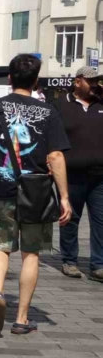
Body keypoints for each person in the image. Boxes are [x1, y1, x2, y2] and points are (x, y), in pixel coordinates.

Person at [0, 54, 72, 334]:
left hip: (2, 189)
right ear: (36, 81)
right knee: (31, 253)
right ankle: (22, 318)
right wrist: (63, 196)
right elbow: (55, 156)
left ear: (9, 79)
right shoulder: (48, 111)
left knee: (0, 246)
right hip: (37, 192)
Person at [54, 67, 103, 282]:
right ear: (77, 82)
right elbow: (51, 135)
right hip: (70, 174)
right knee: (70, 217)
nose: (95, 85)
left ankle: (98, 264)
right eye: (90, 81)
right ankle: (70, 261)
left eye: (97, 81)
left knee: (101, 221)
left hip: (100, 176)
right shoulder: (60, 104)